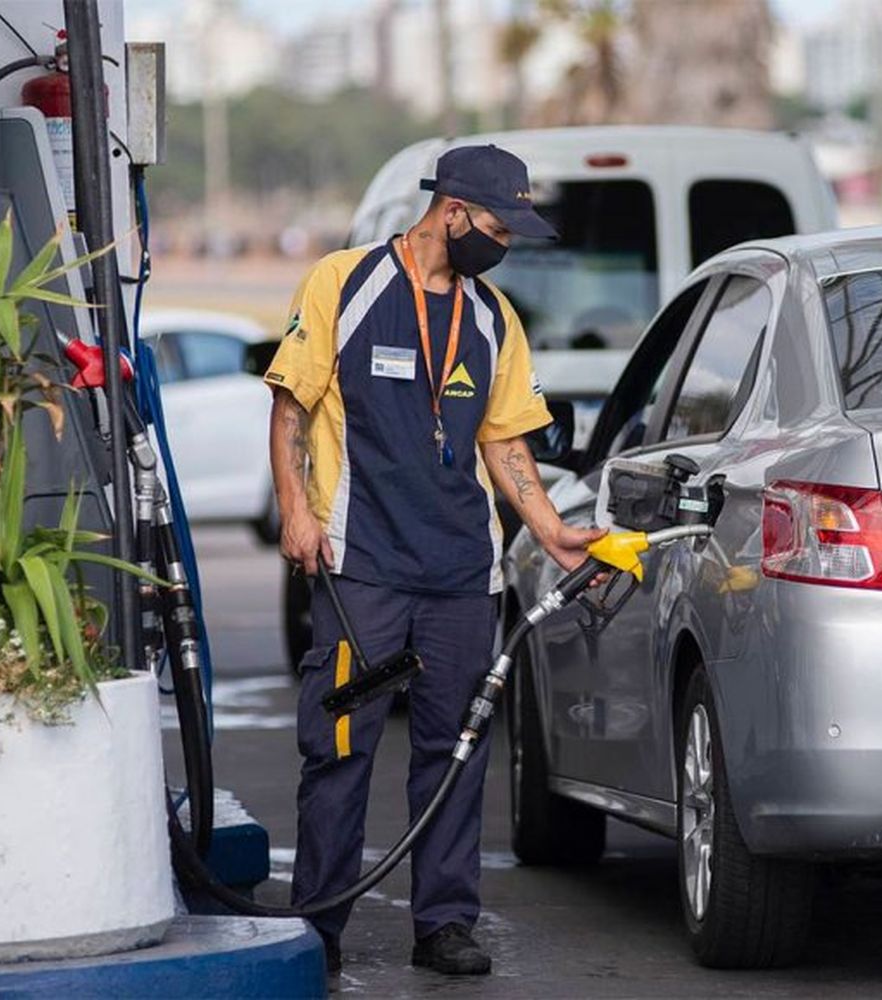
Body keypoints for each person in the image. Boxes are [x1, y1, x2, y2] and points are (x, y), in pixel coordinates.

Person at [264, 145, 603, 977]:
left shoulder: (492, 317)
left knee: (453, 753)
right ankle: (321, 925)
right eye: (495, 228)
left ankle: (444, 924)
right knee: (340, 746)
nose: (504, 245)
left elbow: (507, 442)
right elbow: (289, 407)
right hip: (363, 572)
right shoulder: (344, 283)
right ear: (450, 213)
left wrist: (550, 527)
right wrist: (298, 511)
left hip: (460, 578)